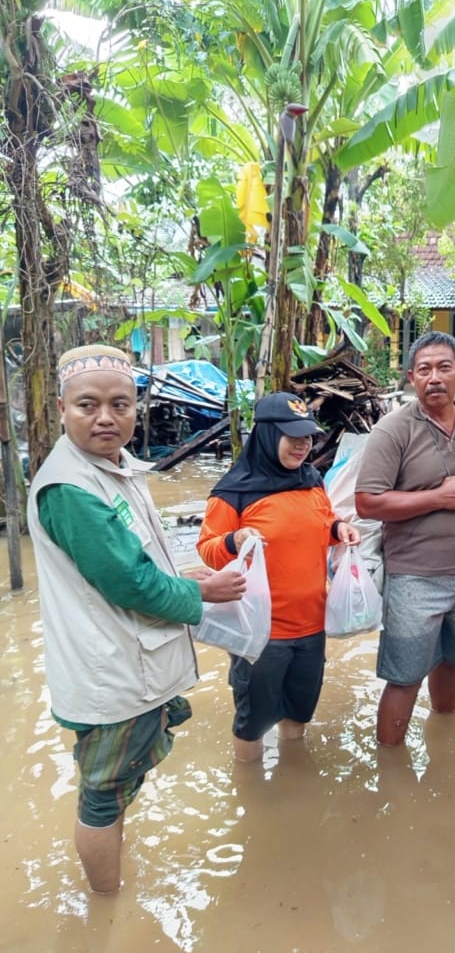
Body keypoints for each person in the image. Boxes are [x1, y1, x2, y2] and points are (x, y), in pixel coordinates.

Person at [27, 344, 247, 894]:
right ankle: (105, 906)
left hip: (128, 663)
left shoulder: (112, 466)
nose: (106, 417)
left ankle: (107, 890)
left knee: (115, 788)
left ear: (135, 407)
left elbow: (133, 561)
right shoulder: (72, 488)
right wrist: (205, 595)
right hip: (112, 675)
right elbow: (128, 583)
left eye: (120, 404)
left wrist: (188, 580)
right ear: (61, 407)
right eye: (88, 405)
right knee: (102, 798)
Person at [354, 331, 455, 745]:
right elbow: (367, 503)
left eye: (444, 368)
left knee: (451, 662)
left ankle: (445, 740)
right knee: (404, 677)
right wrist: (436, 498)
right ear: (411, 378)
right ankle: (390, 766)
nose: (434, 378)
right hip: (413, 576)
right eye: (424, 370)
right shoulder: (392, 431)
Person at [197, 391, 360, 762]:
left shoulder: (312, 480)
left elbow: (320, 525)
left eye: (307, 437)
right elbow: (207, 547)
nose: (303, 446)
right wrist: (234, 539)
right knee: (252, 722)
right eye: (293, 437)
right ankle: (252, 797)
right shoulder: (233, 492)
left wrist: (338, 530)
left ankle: (292, 777)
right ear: (268, 435)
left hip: (312, 626)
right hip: (261, 633)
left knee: (298, 712)